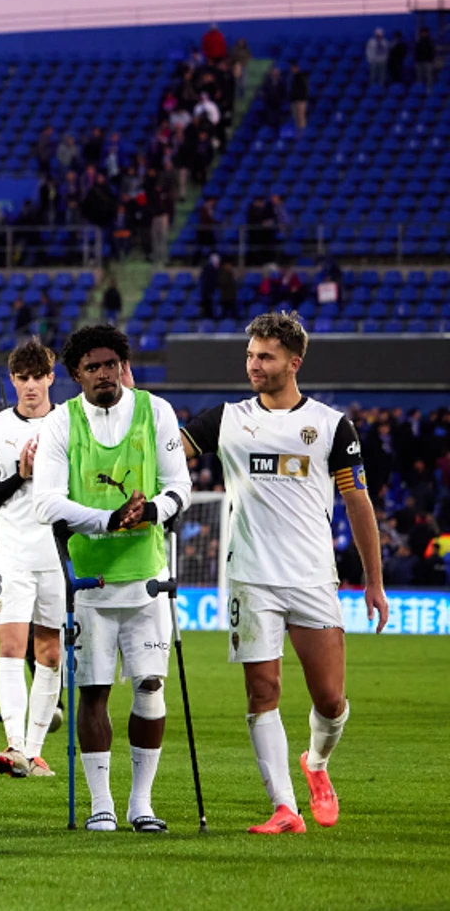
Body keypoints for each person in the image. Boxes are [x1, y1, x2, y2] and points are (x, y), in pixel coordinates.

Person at [179, 313, 389, 834]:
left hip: (313, 576)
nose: (254, 364)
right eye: (250, 354)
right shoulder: (226, 419)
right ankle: (285, 807)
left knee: (330, 700)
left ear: (294, 362)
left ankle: (315, 764)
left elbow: (358, 504)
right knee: (262, 690)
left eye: (266, 356)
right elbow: (167, 450)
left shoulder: (331, 425)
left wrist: (375, 581)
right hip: (250, 578)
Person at [33, 323, 191, 834]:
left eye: (111, 364)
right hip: (89, 582)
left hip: (146, 576)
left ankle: (140, 804)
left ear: (124, 365)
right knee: (94, 692)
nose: (103, 373)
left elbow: (179, 487)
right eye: (91, 367)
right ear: (75, 374)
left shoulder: (155, 411)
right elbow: (45, 501)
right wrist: (106, 519)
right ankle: (101, 803)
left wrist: (149, 514)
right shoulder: (61, 423)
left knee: (150, 686)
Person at [0, 340, 65, 778]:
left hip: (58, 553)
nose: (30, 386)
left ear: (51, 377)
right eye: (22, 378)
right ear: (12, 381)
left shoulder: (70, 424)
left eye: (37, 376)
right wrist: (20, 476)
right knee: (10, 646)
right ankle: (14, 745)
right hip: (10, 549)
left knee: (50, 652)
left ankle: (34, 749)